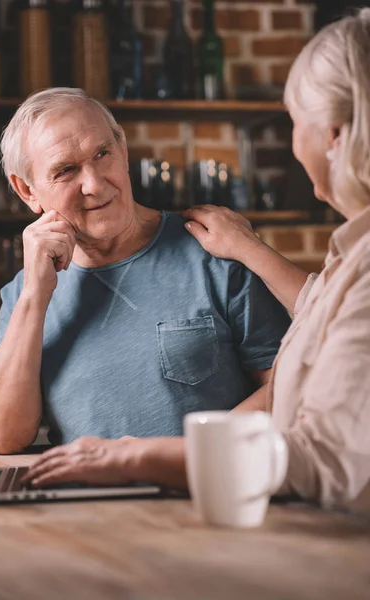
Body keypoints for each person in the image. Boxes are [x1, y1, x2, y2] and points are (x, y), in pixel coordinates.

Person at [0, 88, 289, 490]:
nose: (94, 184)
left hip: (208, 498)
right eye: (65, 170)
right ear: (27, 190)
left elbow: (286, 386)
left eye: (102, 154)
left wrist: (170, 460)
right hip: (89, 520)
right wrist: (36, 295)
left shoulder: (215, 250)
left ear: (122, 146)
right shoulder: (24, 294)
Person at [184, 9, 370, 506]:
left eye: (294, 123)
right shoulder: (357, 247)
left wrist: (148, 459)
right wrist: (248, 248)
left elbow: (326, 461)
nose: (292, 143)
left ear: (334, 135)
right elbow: (327, 308)